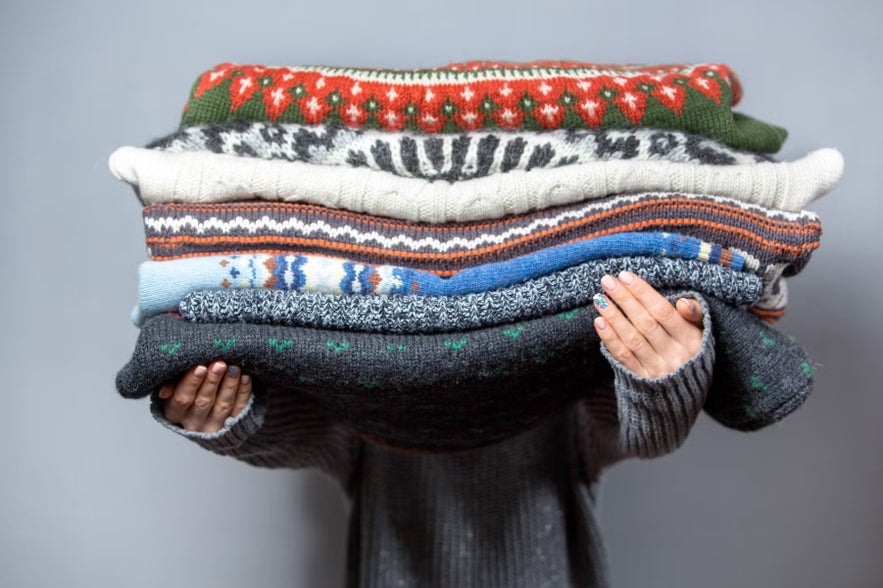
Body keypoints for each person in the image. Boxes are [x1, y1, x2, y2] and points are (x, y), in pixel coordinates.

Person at [154, 272, 711, 587]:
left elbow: (644, 431)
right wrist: (228, 418)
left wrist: (665, 380)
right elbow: (284, 429)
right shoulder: (357, 390)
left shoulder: (566, 396)